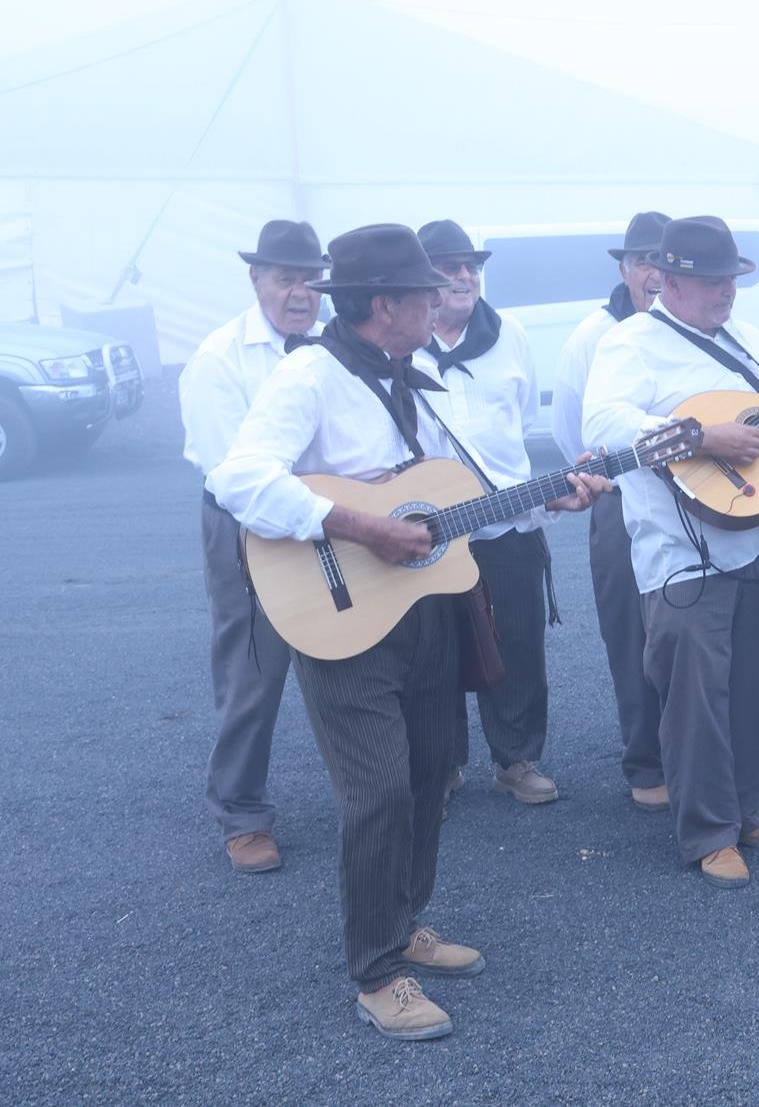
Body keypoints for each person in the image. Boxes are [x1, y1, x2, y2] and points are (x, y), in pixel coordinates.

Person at [207, 224, 606, 1039]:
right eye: (425, 291)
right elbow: (236, 478)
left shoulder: (412, 378)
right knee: (379, 789)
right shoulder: (309, 375)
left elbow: (453, 497)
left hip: (424, 606)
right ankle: (377, 968)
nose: (442, 300)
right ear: (382, 303)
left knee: (429, 774)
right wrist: (358, 523)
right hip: (341, 616)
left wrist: (543, 496)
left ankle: (405, 918)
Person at [581, 216, 759, 890]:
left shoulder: (747, 338)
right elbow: (600, 424)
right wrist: (699, 435)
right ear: (671, 280)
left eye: (732, 279)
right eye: (712, 280)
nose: (727, 292)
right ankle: (707, 830)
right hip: (682, 555)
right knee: (695, 698)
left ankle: (746, 810)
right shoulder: (630, 343)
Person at [179, 219, 327, 874]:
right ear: (256, 279)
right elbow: (233, 474)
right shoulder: (219, 359)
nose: (301, 290)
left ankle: (376, 790)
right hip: (246, 525)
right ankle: (241, 811)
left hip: (325, 514)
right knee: (254, 669)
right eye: (286, 276)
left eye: (311, 277)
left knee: (346, 649)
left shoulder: (327, 347)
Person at [413, 220, 559, 807]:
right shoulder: (397, 343)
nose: (464, 276)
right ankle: (442, 762)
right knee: (433, 649)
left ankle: (516, 759)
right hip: (424, 527)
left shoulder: (512, 335)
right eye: (449, 267)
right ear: (419, 279)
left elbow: (522, 419)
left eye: (471, 265)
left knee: (518, 641)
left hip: (507, 519)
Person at [551, 211, 672, 812]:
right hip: (620, 502)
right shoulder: (592, 338)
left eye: (663, 260)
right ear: (624, 268)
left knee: (697, 631)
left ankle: (703, 752)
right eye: (643, 260)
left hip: (697, 504)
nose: (654, 272)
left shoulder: (698, 326)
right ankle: (646, 761)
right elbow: (569, 430)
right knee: (632, 635)